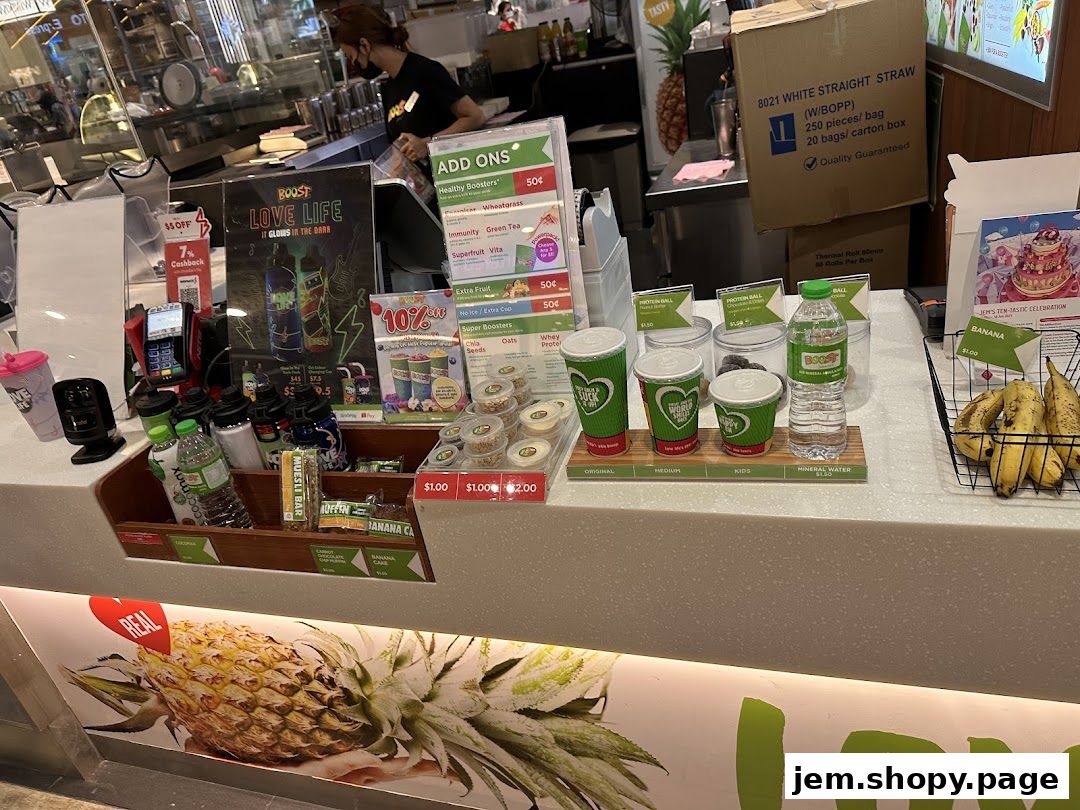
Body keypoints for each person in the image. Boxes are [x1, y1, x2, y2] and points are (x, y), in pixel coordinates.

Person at [333, 5, 486, 164]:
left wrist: (427, 144)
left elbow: (475, 116)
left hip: (452, 178)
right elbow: (399, 146)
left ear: (364, 46)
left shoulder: (425, 71)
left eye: (350, 56)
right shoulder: (389, 87)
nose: (353, 63)